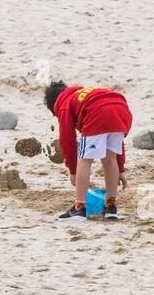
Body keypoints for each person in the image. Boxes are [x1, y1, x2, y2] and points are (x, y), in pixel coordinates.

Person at [45, 82, 133, 220]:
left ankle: (79, 208)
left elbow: (68, 140)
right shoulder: (82, 95)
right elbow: (118, 148)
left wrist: (73, 171)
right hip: (121, 109)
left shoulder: (63, 104)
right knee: (110, 159)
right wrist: (120, 168)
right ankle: (110, 207)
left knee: (84, 159)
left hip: (98, 113)